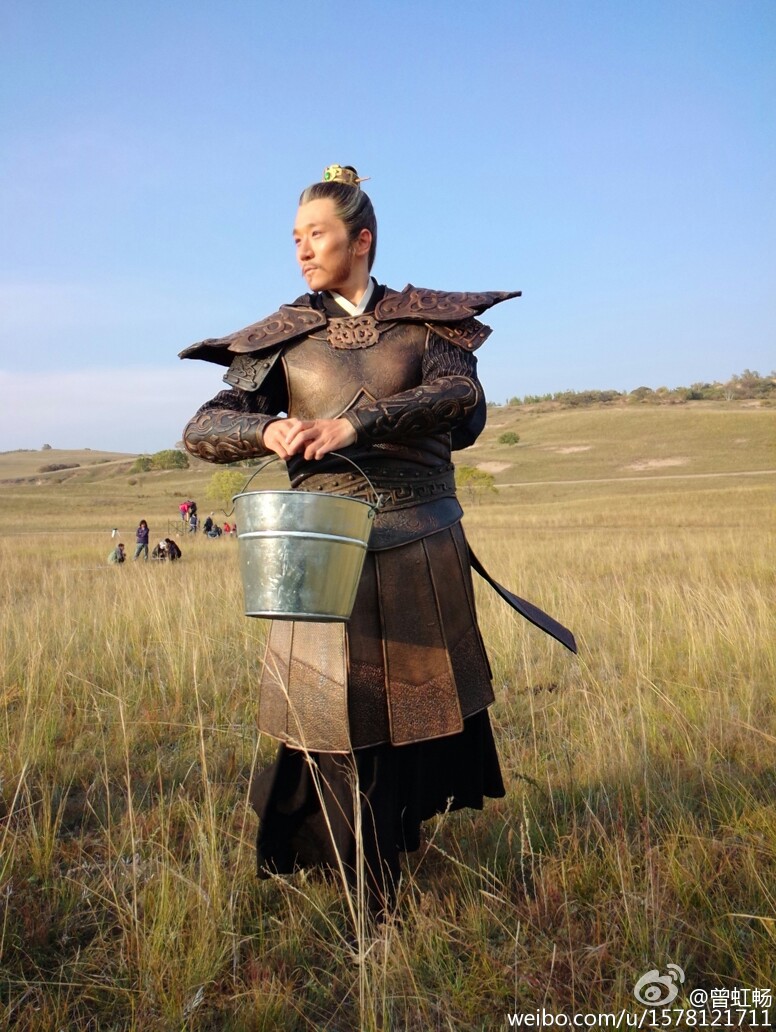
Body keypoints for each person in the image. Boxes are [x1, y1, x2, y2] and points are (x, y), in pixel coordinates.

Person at [180, 164, 575, 921]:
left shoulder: (430, 322)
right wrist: (267, 425)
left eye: (317, 234)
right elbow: (202, 426)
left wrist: (355, 423)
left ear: (361, 240)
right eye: (295, 238)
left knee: (418, 714)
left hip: (423, 543)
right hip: (321, 557)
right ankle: (363, 883)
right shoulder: (283, 335)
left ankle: (398, 842)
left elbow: (458, 397)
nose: (302, 249)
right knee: (333, 719)